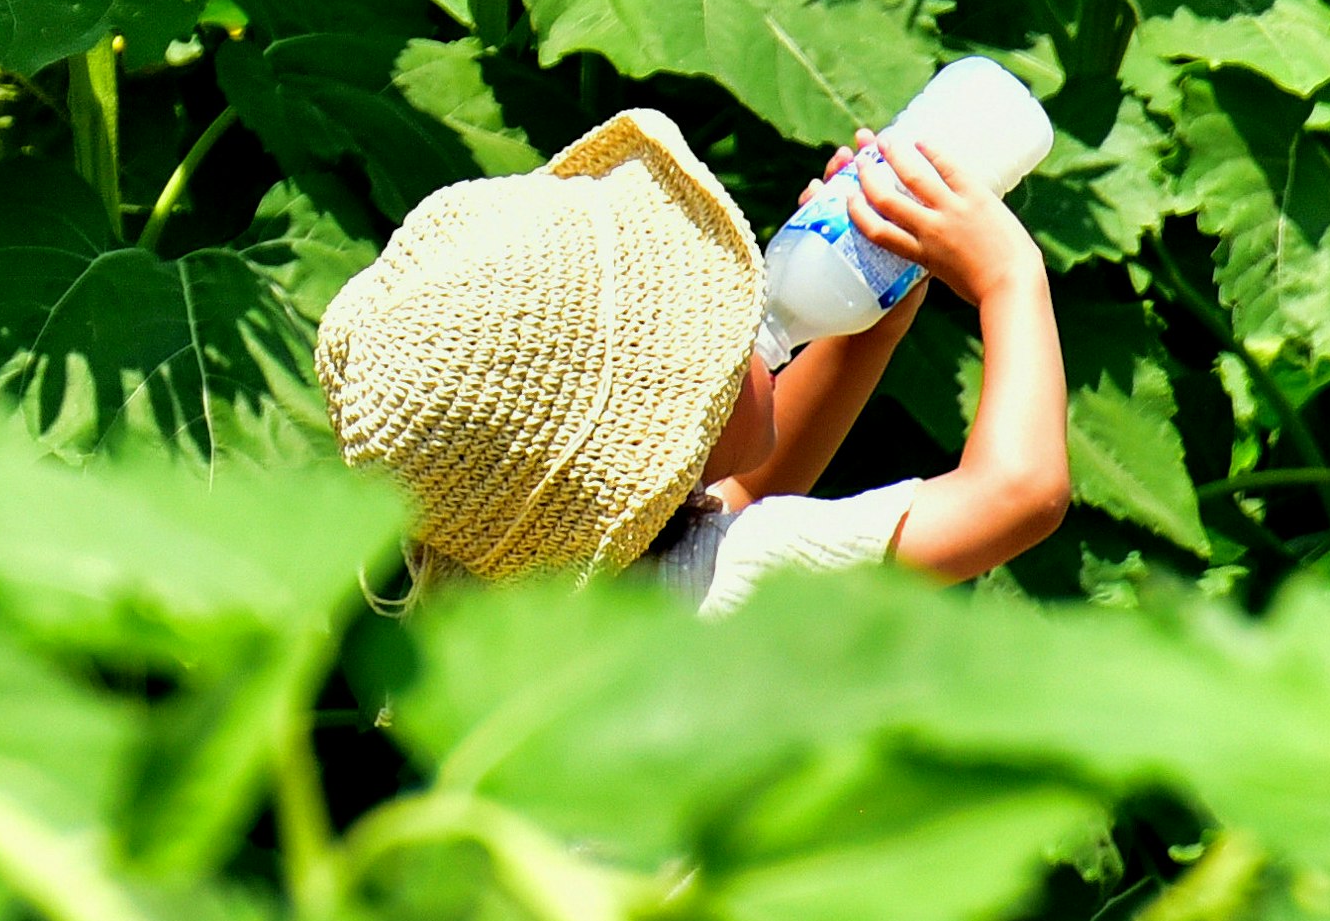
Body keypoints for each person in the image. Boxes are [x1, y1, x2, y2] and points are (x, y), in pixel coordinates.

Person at [313, 108, 1069, 614]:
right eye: (715, 332)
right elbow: (1019, 494)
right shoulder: (744, 577)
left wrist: (872, 316)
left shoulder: (560, 603)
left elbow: (740, 496)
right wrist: (1008, 274)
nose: (750, 326)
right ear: (659, 435)